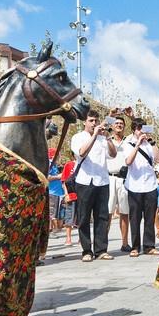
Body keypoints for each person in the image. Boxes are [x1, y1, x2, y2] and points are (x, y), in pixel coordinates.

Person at [70, 110, 118, 262]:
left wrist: (108, 138)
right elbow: (82, 153)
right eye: (91, 120)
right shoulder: (78, 137)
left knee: (102, 217)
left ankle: (101, 249)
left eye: (96, 121)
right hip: (84, 181)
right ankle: (86, 250)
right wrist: (94, 136)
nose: (94, 123)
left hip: (102, 181)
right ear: (84, 122)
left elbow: (113, 154)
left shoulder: (102, 138)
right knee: (84, 217)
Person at [124, 117, 159, 257]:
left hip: (150, 184)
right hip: (134, 185)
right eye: (139, 129)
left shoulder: (149, 144)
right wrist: (138, 144)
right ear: (134, 130)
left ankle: (149, 246)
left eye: (143, 128)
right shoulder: (128, 143)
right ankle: (135, 246)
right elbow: (128, 161)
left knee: (150, 217)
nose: (141, 131)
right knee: (134, 218)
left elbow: (157, 159)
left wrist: (153, 143)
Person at [103, 114, 132, 252]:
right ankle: (103, 245)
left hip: (124, 179)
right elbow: (101, 124)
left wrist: (130, 116)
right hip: (109, 178)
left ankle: (125, 243)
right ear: (112, 126)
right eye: (116, 123)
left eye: (121, 123)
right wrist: (110, 114)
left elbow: (139, 127)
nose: (119, 125)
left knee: (124, 212)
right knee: (107, 213)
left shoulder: (129, 141)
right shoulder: (106, 139)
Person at [60, 151, 79, 246]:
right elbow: (64, 181)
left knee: (82, 217)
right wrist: (66, 194)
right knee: (69, 217)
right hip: (71, 195)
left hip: (82, 195)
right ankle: (68, 238)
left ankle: (81, 238)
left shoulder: (84, 164)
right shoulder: (69, 165)